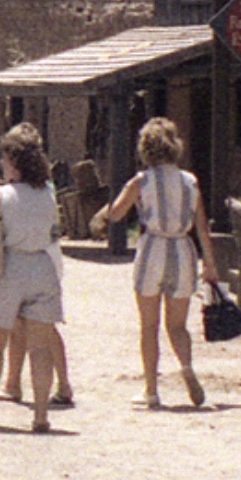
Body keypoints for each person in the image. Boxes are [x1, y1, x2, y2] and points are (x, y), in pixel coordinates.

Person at [93, 117, 221, 409]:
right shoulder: (190, 182)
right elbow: (202, 227)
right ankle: (186, 367)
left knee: (148, 326)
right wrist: (209, 265)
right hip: (182, 250)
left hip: (152, 249)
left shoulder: (142, 180)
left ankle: (151, 390)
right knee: (177, 326)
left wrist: (107, 209)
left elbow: (115, 214)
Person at [0, 123, 66, 432]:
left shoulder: (0, 194)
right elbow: (54, 231)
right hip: (42, 266)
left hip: (9, 268)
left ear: (14, 161)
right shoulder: (47, 194)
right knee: (40, 347)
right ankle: (41, 414)